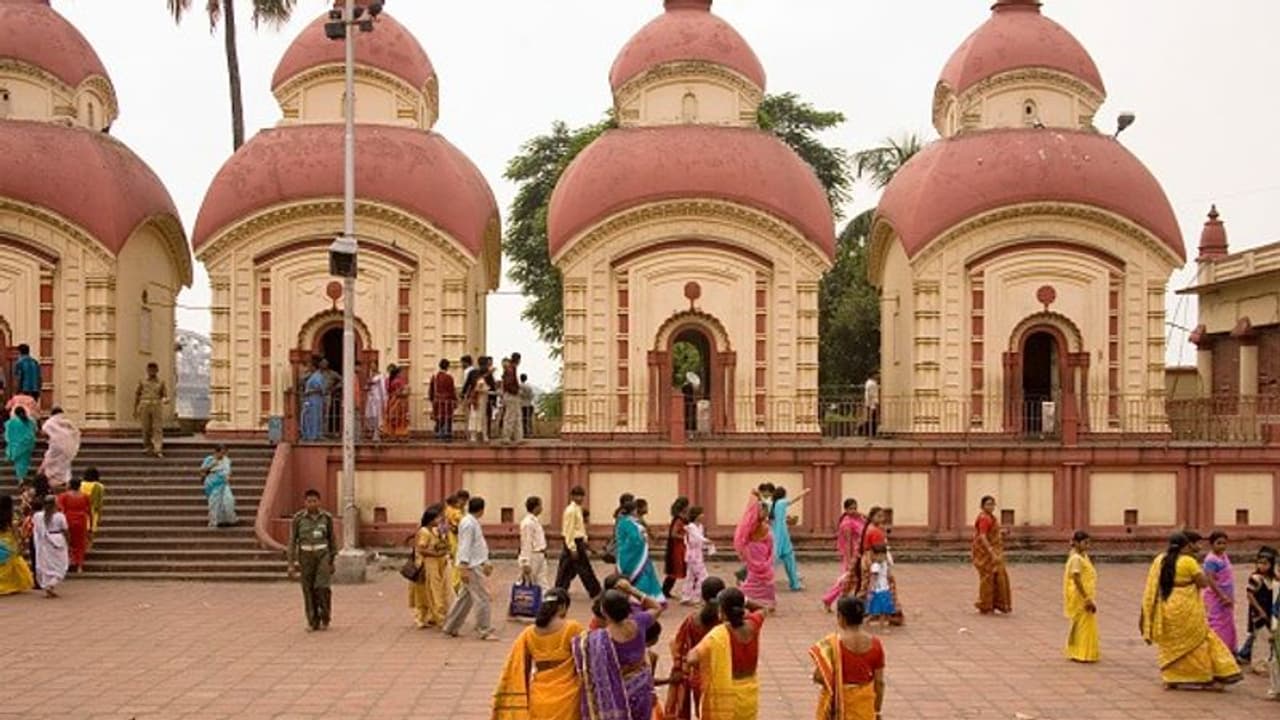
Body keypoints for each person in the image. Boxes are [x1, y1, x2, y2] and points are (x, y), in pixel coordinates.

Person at [1140, 531, 1243, 690]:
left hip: (1167, 605)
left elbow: (1153, 585)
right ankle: (1202, 677)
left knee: (1172, 642)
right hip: (1187, 606)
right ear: (1184, 546)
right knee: (1197, 642)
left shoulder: (1159, 560)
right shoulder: (1188, 562)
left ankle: (1172, 677)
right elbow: (1202, 583)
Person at [573, 583, 665, 720]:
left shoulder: (597, 639)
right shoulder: (639, 621)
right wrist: (632, 590)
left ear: (604, 612)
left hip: (617, 694)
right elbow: (657, 607)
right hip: (641, 688)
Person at [492, 588, 583, 719]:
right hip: (569, 697)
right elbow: (586, 660)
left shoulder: (528, 633)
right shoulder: (572, 628)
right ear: (563, 607)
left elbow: (521, 668)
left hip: (538, 697)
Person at [686, 587, 765, 719]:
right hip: (750, 694)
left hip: (726, 696)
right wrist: (741, 599)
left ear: (721, 612)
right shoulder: (753, 624)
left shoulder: (718, 634)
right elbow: (762, 609)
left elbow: (691, 658)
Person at [809, 596, 886, 720]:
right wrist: (876, 710)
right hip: (864, 706)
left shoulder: (831, 645)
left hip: (838, 707)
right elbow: (879, 683)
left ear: (841, 618)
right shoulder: (876, 645)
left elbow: (820, 677)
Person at [665, 576, 725, 719]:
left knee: (702, 712)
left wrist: (679, 668)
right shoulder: (725, 621)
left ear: (702, 595)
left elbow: (678, 645)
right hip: (722, 674)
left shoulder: (693, 620)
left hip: (698, 676)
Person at [444, 496, 498, 640]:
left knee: (465, 598)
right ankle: (484, 629)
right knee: (482, 597)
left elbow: (476, 546)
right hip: (471, 566)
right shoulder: (469, 524)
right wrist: (463, 567)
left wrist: (485, 562)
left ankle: (451, 626)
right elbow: (465, 546)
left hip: (474, 563)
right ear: (482, 510)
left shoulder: (471, 522)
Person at [288, 489, 336, 631]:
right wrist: (291, 564)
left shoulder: (326, 518)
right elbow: (292, 541)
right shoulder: (298, 519)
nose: (312, 504)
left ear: (319, 502)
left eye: (314, 501)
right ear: (305, 502)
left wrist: (332, 560)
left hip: (322, 554)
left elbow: (332, 539)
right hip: (305, 555)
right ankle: (312, 620)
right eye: (309, 501)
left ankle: (325, 616)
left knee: (322, 587)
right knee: (308, 589)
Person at [555, 485, 601, 598]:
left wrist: (585, 540)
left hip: (578, 541)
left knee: (567, 568)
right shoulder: (570, 511)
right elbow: (569, 530)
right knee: (583, 568)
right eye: (577, 496)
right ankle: (595, 590)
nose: (580, 498)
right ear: (572, 496)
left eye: (581, 496)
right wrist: (572, 547)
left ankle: (560, 588)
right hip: (573, 541)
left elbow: (580, 527)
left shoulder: (578, 509)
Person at [409, 504, 451, 629]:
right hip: (428, 564)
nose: (440, 521)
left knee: (439, 590)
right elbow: (421, 550)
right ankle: (438, 617)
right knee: (433, 591)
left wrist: (445, 536)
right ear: (431, 519)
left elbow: (443, 543)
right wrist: (437, 553)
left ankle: (432, 616)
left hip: (439, 563)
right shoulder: (424, 532)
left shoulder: (436, 530)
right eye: (437, 518)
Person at [616, 497, 664, 601]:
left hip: (641, 555)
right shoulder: (626, 522)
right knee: (641, 578)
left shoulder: (631, 521)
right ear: (633, 511)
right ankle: (639, 598)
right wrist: (643, 539)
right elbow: (634, 539)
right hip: (634, 556)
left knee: (647, 576)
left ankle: (648, 598)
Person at [734, 492, 776, 611]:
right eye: (764, 511)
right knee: (756, 576)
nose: (766, 513)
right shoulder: (751, 525)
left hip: (762, 553)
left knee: (766, 577)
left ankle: (767, 601)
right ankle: (744, 597)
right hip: (754, 553)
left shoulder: (762, 525)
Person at [823, 498, 867, 611]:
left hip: (861, 554)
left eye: (855, 508)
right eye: (851, 508)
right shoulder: (846, 523)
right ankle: (829, 599)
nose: (854, 510)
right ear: (846, 509)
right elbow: (847, 544)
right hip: (852, 556)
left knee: (859, 580)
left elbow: (867, 526)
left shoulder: (858, 519)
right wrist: (849, 560)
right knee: (846, 581)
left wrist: (861, 515)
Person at [971, 495, 1012, 615]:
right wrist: (991, 551)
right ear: (982, 506)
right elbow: (982, 536)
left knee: (997, 577)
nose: (991, 507)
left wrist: (1002, 532)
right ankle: (985, 605)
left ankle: (994, 603)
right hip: (986, 553)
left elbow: (993, 533)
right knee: (987, 579)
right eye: (988, 504)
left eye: (993, 504)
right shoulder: (984, 518)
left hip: (994, 552)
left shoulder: (991, 518)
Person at [1063, 530, 1099, 663]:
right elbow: (1076, 578)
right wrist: (1086, 598)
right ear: (1076, 543)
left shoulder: (1082, 556)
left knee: (1082, 624)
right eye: (1085, 543)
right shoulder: (1076, 559)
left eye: (1089, 543)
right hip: (1080, 595)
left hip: (1086, 593)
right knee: (1083, 624)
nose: (1087, 545)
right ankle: (1082, 652)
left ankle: (1078, 651)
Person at [1240, 547, 1277, 675]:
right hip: (1259, 613)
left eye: (1265, 563)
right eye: (1260, 563)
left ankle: (1265, 663)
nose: (1262, 566)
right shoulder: (1256, 578)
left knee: (1267, 638)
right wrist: (1260, 610)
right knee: (1260, 638)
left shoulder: (1272, 579)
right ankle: (1258, 665)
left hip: (1270, 612)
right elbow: (1250, 595)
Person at [770, 485, 811, 592]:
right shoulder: (781, 503)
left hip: (775, 536)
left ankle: (794, 584)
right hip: (782, 536)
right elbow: (794, 499)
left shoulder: (772, 504)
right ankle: (794, 584)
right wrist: (804, 492)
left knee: (780, 560)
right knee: (784, 561)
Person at [1201, 530, 1237, 651]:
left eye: (1224, 543)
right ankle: (1216, 650)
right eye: (1219, 543)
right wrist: (1222, 596)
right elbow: (1210, 580)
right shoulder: (1210, 560)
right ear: (1211, 544)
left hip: (1227, 595)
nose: (1222, 546)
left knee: (1228, 623)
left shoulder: (1223, 556)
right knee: (1217, 624)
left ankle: (1228, 649)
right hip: (1216, 597)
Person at [32, 495, 67, 598]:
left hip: (44, 542)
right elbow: (65, 530)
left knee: (47, 565)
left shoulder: (37, 515)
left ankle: (49, 586)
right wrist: (68, 542)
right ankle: (50, 585)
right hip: (57, 539)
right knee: (61, 565)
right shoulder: (60, 516)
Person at [0, 495, 34, 595]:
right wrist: (20, 543)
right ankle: (10, 586)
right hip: (9, 543)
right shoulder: (11, 517)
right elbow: (16, 532)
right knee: (10, 566)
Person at [56, 476, 91, 572]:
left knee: (67, 542)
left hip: (68, 519)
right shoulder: (85, 496)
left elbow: (60, 509)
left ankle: (68, 562)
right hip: (81, 520)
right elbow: (89, 511)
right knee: (80, 543)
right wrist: (90, 525)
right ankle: (79, 565)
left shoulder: (64, 496)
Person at [38, 407, 79, 489]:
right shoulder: (68, 422)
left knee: (49, 466)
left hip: (55, 448)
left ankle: (49, 484)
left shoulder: (50, 422)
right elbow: (76, 433)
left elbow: (43, 432)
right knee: (64, 466)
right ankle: (64, 483)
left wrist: (50, 437)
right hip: (67, 449)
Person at [134, 361, 169, 457]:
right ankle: (147, 446)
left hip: (156, 404)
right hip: (144, 404)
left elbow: (165, 394)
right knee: (146, 427)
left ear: (157, 370)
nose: (152, 371)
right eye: (150, 369)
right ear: (147, 370)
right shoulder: (142, 381)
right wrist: (135, 408)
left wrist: (166, 399)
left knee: (157, 427)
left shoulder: (161, 382)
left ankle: (158, 448)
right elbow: (137, 394)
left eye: (154, 369)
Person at [199, 444, 238, 528]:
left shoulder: (226, 460)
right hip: (212, 483)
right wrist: (212, 465)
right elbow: (202, 471)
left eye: (225, 453)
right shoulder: (209, 459)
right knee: (214, 503)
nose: (223, 455)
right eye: (221, 453)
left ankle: (226, 519)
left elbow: (228, 471)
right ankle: (213, 522)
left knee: (229, 500)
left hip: (223, 483)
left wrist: (228, 476)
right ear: (216, 452)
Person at [680, 506, 710, 604]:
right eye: (701, 513)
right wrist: (706, 541)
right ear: (696, 515)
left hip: (698, 553)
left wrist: (706, 546)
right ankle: (696, 597)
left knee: (691, 576)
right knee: (703, 576)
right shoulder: (691, 526)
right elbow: (698, 537)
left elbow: (700, 539)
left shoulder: (700, 526)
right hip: (692, 554)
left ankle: (686, 596)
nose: (703, 515)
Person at [518, 495, 549, 590]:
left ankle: (543, 602)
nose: (542, 508)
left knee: (542, 582)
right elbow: (526, 543)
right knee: (528, 583)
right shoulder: (528, 523)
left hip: (540, 554)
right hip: (532, 555)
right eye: (540, 505)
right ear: (536, 507)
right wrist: (525, 562)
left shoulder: (535, 521)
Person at [863, 544, 895, 628]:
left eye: (883, 555)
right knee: (882, 610)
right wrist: (870, 591)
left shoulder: (884, 563)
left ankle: (867, 621)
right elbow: (873, 579)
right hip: (878, 590)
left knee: (879, 608)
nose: (881, 557)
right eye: (878, 555)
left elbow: (888, 572)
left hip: (885, 588)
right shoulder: (875, 566)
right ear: (874, 555)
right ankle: (882, 626)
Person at [3, 405, 36, 483]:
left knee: (19, 463)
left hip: (17, 446)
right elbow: (34, 431)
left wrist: (9, 443)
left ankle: (21, 478)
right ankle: (22, 477)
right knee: (25, 462)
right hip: (28, 445)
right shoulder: (30, 421)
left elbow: (8, 434)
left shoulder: (11, 422)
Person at [300, 356, 327, 442]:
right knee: (307, 417)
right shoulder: (311, 375)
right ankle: (309, 435)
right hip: (310, 399)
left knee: (314, 417)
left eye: (310, 365)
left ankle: (314, 435)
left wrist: (310, 392)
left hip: (314, 399)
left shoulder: (318, 376)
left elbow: (320, 389)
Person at [429, 359, 457, 441]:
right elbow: (452, 390)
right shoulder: (449, 378)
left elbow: (431, 390)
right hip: (447, 401)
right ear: (447, 367)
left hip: (437, 400)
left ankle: (437, 434)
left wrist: (432, 400)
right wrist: (455, 400)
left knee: (439, 418)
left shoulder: (434, 377)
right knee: (448, 418)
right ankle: (447, 435)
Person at [380, 365, 410, 441]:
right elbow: (401, 392)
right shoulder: (399, 381)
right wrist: (406, 392)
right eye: (402, 372)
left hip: (390, 400)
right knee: (400, 418)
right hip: (398, 401)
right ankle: (400, 435)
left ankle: (390, 435)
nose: (403, 374)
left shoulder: (388, 380)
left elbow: (388, 390)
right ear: (398, 373)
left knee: (391, 417)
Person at [500, 353, 523, 444]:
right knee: (511, 416)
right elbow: (508, 384)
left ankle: (517, 437)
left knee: (516, 416)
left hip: (510, 395)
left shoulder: (511, 369)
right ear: (518, 360)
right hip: (511, 395)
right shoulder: (511, 369)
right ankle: (507, 437)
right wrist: (516, 391)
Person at [364, 364, 388, 442]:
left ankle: (377, 434)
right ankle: (372, 433)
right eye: (371, 366)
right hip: (371, 398)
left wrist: (384, 399)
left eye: (374, 365)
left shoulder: (380, 376)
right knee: (371, 416)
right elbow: (367, 385)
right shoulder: (370, 375)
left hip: (378, 399)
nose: (372, 367)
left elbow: (382, 387)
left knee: (377, 416)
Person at [79, 467, 105, 538]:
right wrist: (100, 515)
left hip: (81, 511)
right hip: (93, 512)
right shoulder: (99, 486)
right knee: (90, 535)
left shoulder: (80, 485)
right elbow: (99, 503)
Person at [467, 369, 490, 443]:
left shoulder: (478, 381)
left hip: (477, 402)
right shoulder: (481, 382)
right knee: (481, 418)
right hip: (480, 402)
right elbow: (480, 389)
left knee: (474, 418)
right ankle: (483, 436)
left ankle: (474, 436)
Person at [860, 372, 880, 437]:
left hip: (870, 403)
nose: (878, 376)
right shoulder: (872, 384)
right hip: (872, 404)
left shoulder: (869, 383)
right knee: (872, 418)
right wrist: (875, 403)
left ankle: (868, 432)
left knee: (870, 418)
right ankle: (870, 432)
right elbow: (872, 395)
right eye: (877, 374)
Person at [519, 373, 535, 438]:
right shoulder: (529, 387)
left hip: (522, 405)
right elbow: (532, 395)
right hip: (529, 404)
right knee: (528, 419)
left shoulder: (519, 386)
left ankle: (524, 432)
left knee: (522, 419)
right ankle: (529, 432)